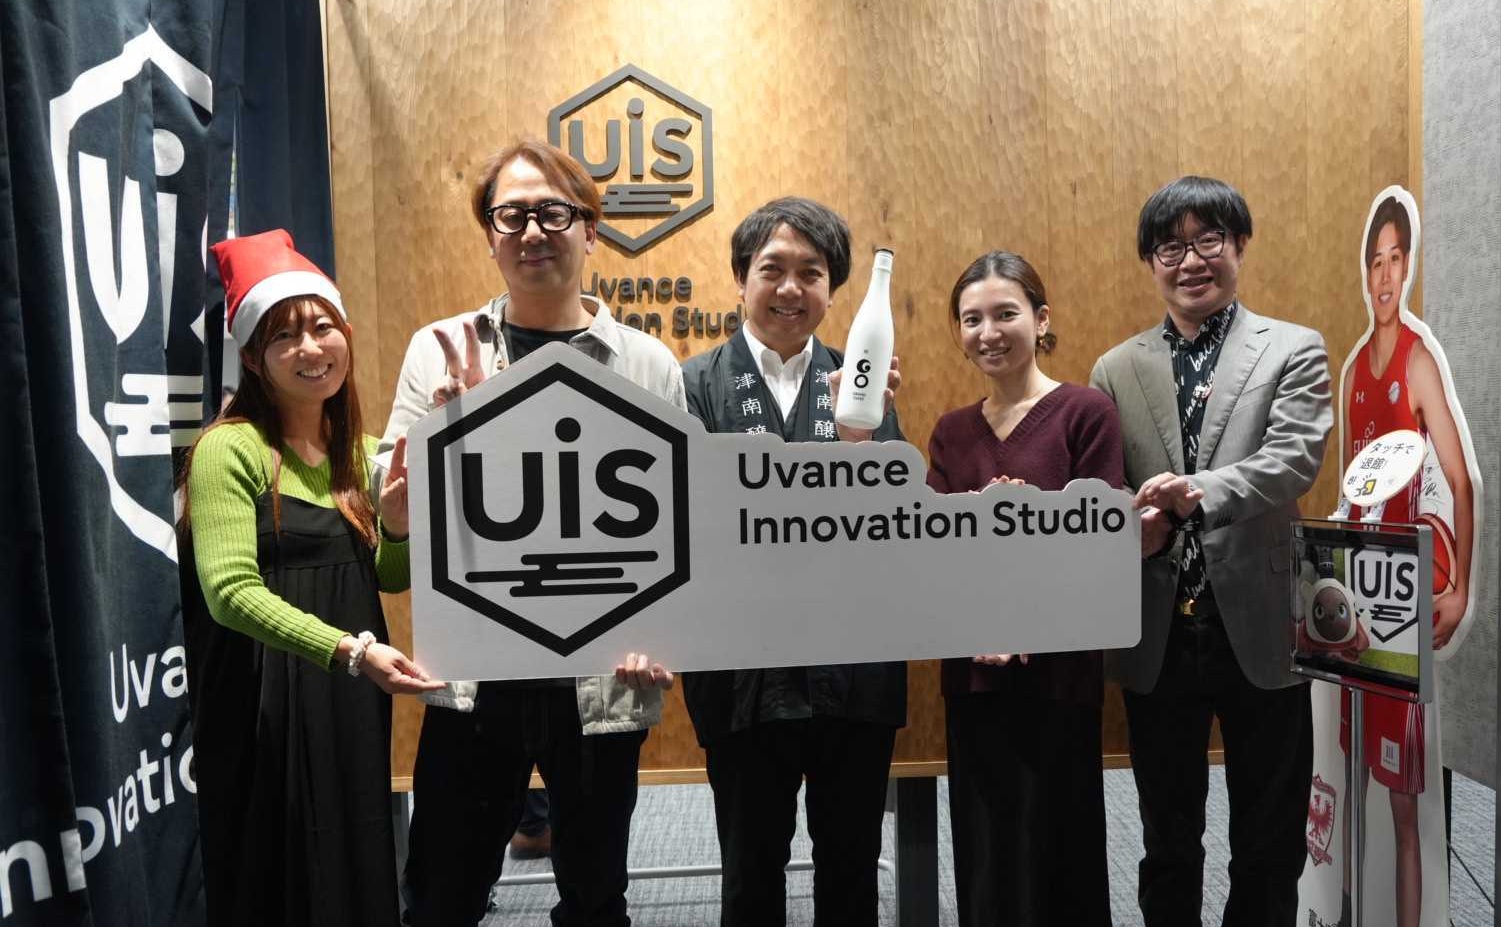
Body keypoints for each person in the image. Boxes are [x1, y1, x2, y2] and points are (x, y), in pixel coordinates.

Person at [381, 139, 684, 927]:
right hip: (473, 674)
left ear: (590, 231)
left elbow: (683, 522)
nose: (532, 231)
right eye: (510, 215)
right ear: (489, 235)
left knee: (595, 897)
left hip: (599, 678)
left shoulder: (646, 363)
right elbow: (395, 508)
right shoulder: (440, 350)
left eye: (553, 212)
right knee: (440, 897)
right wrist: (451, 436)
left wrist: (664, 635)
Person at [180, 229, 444, 927]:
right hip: (261, 696)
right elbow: (229, 594)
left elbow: (386, 578)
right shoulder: (229, 449)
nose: (310, 348)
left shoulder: (362, 451)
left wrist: (395, 525)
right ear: (251, 358)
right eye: (284, 336)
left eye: (322, 327)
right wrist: (349, 651)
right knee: (273, 869)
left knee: (353, 852)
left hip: (350, 692)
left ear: (345, 337)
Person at [1089, 176, 1333, 926]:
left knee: (1269, 834)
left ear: (1239, 246)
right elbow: (1102, 485)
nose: (1190, 261)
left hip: (1262, 620)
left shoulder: (1292, 347)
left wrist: (1196, 491)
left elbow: (1293, 458)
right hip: (1159, 630)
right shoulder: (1115, 367)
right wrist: (1128, 519)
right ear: (1150, 262)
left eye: (1208, 240)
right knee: (1166, 835)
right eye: (1170, 247)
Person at [680, 197, 906, 927]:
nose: (789, 288)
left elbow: (893, 526)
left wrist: (859, 443)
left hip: (853, 666)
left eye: (810, 273)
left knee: (851, 865)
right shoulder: (692, 384)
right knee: (750, 870)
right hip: (741, 672)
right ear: (739, 279)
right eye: (771, 269)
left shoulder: (861, 382)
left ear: (833, 290)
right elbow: (686, 522)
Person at [926, 251, 1119, 926]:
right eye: (971, 319)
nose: (988, 332)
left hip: (1059, 671)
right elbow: (931, 550)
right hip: (974, 672)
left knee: (1060, 849)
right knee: (987, 854)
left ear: (1040, 319)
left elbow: (1099, 545)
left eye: (1004, 313)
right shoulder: (951, 431)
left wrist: (1026, 517)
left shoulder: (1086, 413)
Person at [1336, 193, 1477, 927]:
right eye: (1375, 260)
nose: (1385, 274)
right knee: (1353, 781)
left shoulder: (1418, 360)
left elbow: (1460, 480)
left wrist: (1459, 588)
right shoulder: (1355, 368)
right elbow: (1351, 488)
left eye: (1396, 258)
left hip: (1403, 608)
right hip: (1357, 604)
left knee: (1402, 808)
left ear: (1408, 265)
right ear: (1365, 272)